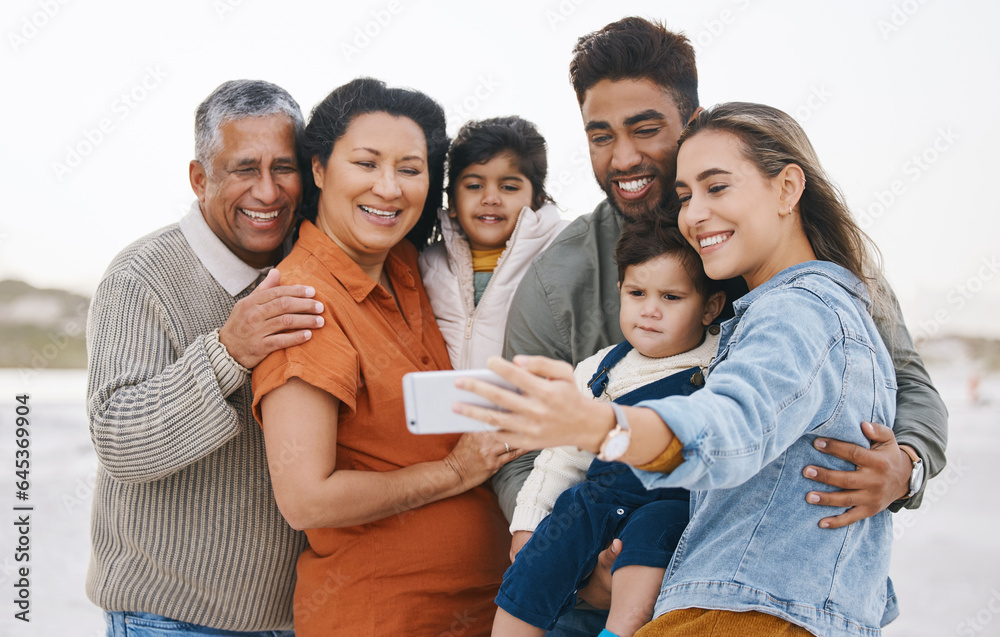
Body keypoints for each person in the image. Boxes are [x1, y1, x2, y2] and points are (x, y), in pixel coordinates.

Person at [494, 18, 947, 633]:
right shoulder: (560, 278)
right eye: (601, 136)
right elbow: (526, 448)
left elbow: (756, 414)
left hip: (741, 590)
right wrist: (579, 562)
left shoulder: (807, 283)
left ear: (694, 121)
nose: (623, 156)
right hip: (607, 586)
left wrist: (906, 466)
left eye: (646, 128)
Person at [251, 77, 518, 637]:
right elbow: (306, 499)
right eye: (367, 164)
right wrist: (453, 472)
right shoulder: (305, 302)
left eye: (411, 169)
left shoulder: (410, 268)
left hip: (483, 612)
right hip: (381, 616)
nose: (390, 188)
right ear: (319, 171)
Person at [86, 79, 324, 635]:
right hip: (167, 617)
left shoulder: (311, 263)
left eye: (283, 168)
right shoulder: (139, 276)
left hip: (296, 616)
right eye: (245, 169)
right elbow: (119, 439)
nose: (267, 193)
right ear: (200, 178)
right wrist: (228, 351)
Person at [493, 217, 725, 637]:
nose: (650, 310)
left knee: (655, 530)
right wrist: (528, 525)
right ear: (620, 292)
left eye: (671, 297)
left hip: (671, 500)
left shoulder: (721, 361)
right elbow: (562, 457)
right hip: (599, 499)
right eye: (637, 293)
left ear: (710, 306)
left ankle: (619, 630)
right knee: (550, 543)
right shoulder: (599, 370)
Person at [419, 116, 566, 376]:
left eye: (509, 187)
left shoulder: (561, 256)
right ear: (452, 201)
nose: (490, 199)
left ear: (537, 199)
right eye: (474, 186)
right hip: (451, 410)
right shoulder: (426, 264)